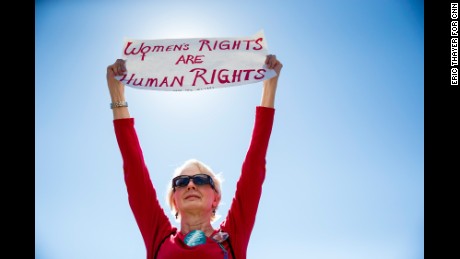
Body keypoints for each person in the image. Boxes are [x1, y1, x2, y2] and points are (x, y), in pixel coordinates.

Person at [106, 54, 283, 259]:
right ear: (174, 200)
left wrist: (269, 86)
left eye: (200, 180)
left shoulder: (232, 238)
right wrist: (117, 94)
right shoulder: (160, 237)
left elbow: (255, 165)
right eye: (181, 182)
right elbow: (134, 168)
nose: (190, 185)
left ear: (215, 198)